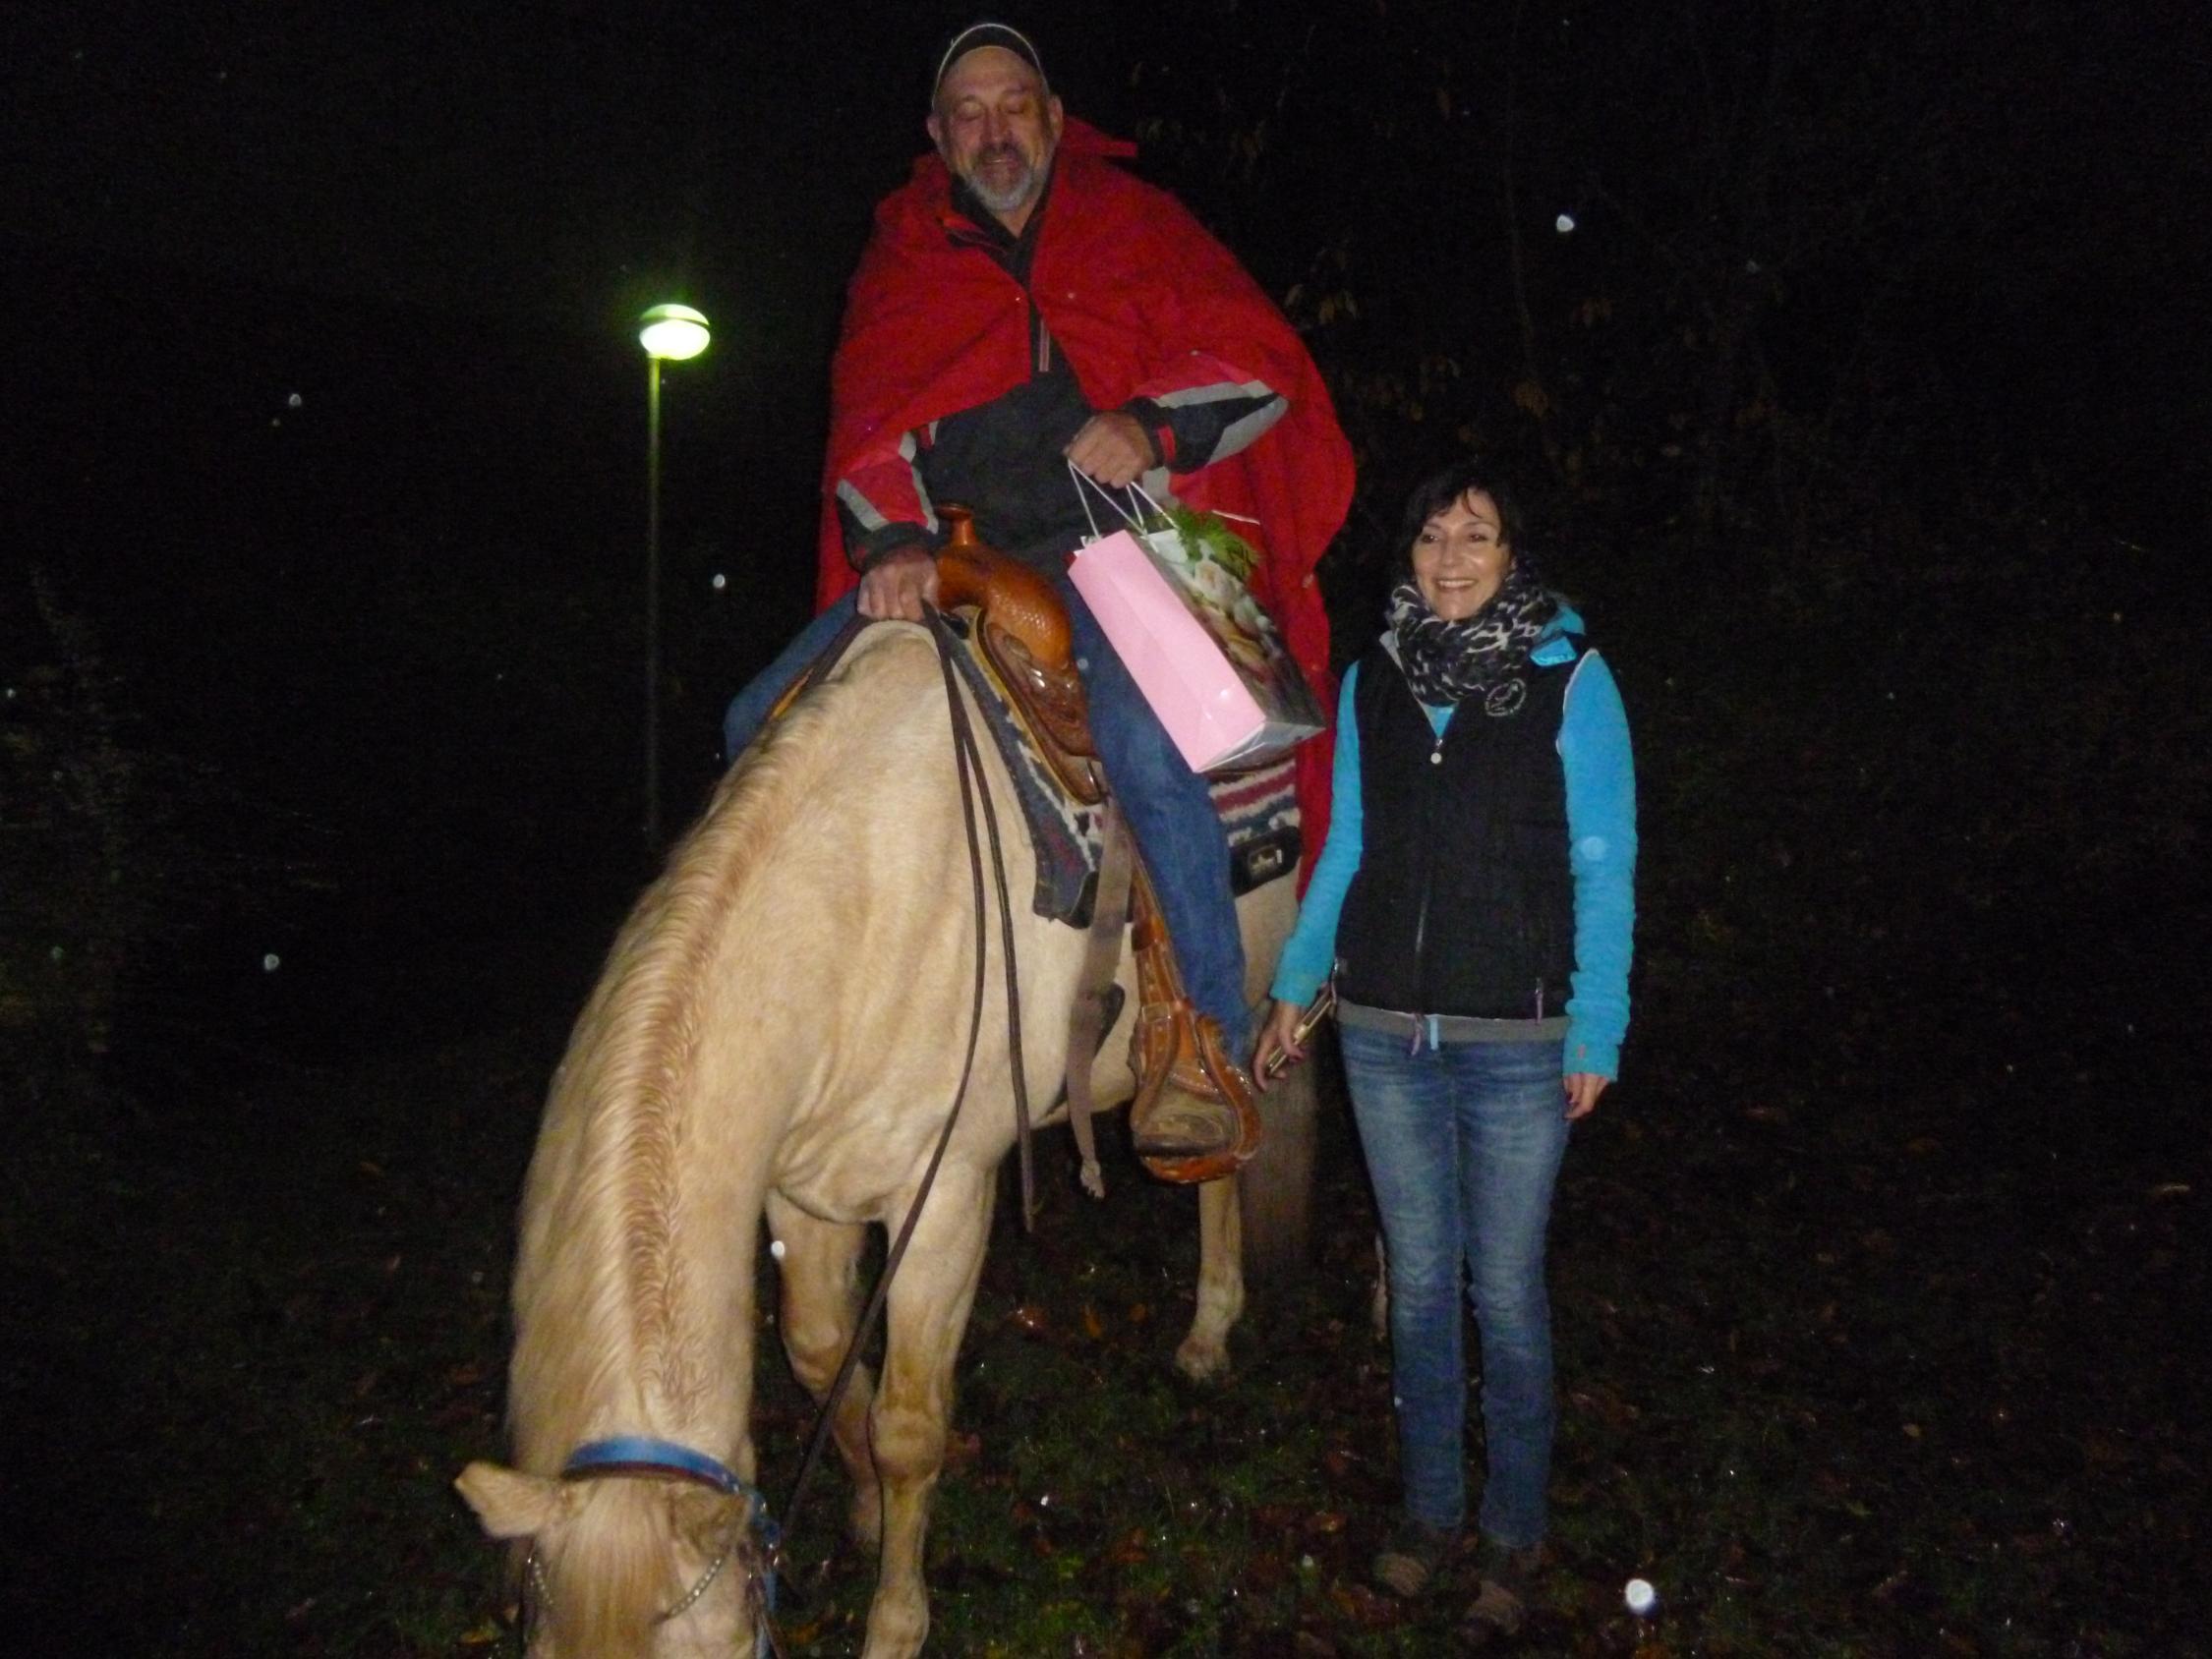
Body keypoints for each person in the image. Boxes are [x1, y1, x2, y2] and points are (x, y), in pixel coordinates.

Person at [723, 22, 1354, 1165]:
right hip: (956, 563)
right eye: (970, 111)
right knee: (748, 720)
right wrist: (896, 546)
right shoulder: (902, 261)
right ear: (936, 134)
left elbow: (1258, 364)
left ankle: (1201, 1037)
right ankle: (760, 1028)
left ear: (1056, 116)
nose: (995, 129)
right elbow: (869, 441)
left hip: (1105, 560)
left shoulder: (1137, 226)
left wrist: (1148, 422)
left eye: (1015, 104)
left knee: (1144, 749)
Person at [1253, 460, 1636, 1641]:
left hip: (1517, 1038)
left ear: (1514, 551)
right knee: (1418, 1288)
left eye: (1477, 533)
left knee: (1505, 1290)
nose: (1452, 556)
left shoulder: (1571, 676)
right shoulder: (1373, 677)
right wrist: (1297, 981)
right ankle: (1429, 1512)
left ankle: (1514, 1530)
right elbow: (1350, 840)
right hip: (1381, 1034)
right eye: (1432, 535)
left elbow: (1605, 858)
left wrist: (1598, 1022)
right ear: (1408, 552)